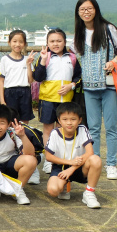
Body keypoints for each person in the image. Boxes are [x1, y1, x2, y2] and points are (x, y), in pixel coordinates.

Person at [74, 0, 117, 180]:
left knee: (111, 127)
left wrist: (113, 61)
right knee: (94, 128)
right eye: (82, 9)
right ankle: (95, 161)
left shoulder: (108, 29)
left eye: (89, 8)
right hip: (89, 87)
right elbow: (73, 53)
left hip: (109, 86)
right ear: (78, 13)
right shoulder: (79, 33)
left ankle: (111, 164)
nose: (86, 12)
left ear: (96, 10)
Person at [33, 28, 82, 174]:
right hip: (47, 99)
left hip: (66, 101)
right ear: (47, 43)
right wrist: (42, 60)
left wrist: (71, 86)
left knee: (64, 130)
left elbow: (78, 76)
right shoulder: (45, 57)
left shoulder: (72, 58)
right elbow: (38, 77)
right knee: (48, 130)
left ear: (65, 42)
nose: (56, 44)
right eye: (52, 41)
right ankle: (49, 160)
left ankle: (62, 158)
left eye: (59, 41)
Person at [45, 102, 102, 208]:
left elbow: (90, 152)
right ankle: (65, 184)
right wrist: (69, 162)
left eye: (73, 119)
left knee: (96, 159)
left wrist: (72, 168)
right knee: (53, 190)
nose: (69, 123)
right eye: (65, 119)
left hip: (80, 166)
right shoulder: (54, 133)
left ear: (80, 120)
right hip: (61, 167)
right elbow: (48, 156)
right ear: (59, 120)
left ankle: (89, 193)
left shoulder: (83, 129)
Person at [0, 30, 36, 123]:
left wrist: (28, 65)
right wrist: (2, 99)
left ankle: (24, 133)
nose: (17, 44)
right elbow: (1, 80)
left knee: (24, 120)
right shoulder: (4, 59)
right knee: (10, 119)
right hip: (9, 93)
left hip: (25, 92)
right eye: (14, 41)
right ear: (9, 42)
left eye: (21, 42)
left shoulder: (27, 59)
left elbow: (31, 80)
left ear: (25, 44)